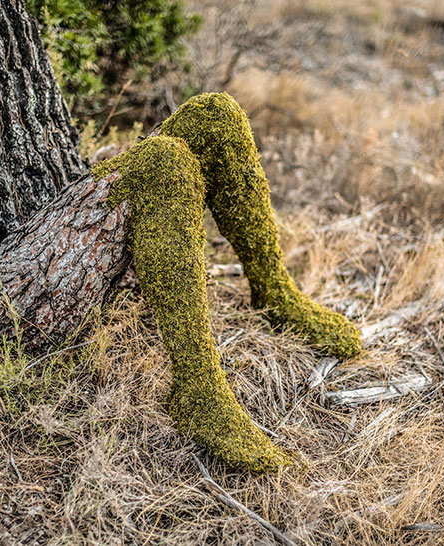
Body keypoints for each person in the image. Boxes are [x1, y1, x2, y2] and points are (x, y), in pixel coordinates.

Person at [92, 92, 361, 471]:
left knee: (218, 113)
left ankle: (273, 291)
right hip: (35, 228)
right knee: (164, 162)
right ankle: (197, 387)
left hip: (58, 180)